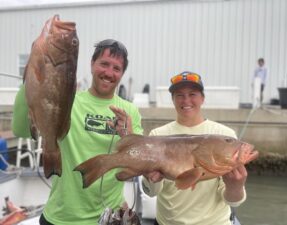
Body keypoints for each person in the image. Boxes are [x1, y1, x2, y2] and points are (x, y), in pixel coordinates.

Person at [12, 39, 143, 225]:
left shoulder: (130, 112)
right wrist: (34, 69)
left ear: (122, 74)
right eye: (104, 64)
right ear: (91, 64)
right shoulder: (67, 101)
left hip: (109, 219)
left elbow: (135, 168)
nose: (108, 72)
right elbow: (20, 129)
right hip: (60, 218)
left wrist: (128, 139)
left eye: (116, 68)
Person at [142, 71, 248, 225]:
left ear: (202, 98)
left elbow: (233, 201)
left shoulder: (225, 135)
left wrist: (236, 187)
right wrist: (149, 178)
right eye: (179, 95)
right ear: (172, 100)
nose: (186, 100)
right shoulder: (158, 135)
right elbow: (152, 192)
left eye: (192, 94)